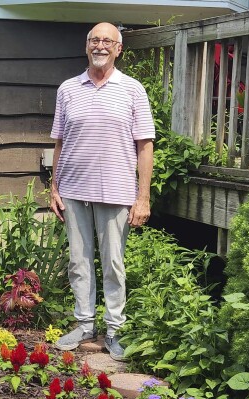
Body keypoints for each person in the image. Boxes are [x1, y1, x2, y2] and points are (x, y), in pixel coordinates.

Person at [50, 22, 155, 361]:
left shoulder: (133, 89)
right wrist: (55, 186)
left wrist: (143, 197)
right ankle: (83, 324)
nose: (100, 46)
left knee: (113, 263)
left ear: (118, 49)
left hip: (116, 191)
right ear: (86, 46)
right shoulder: (67, 89)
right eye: (94, 40)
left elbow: (145, 145)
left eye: (107, 41)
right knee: (78, 262)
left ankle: (114, 330)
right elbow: (60, 142)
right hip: (74, 189)